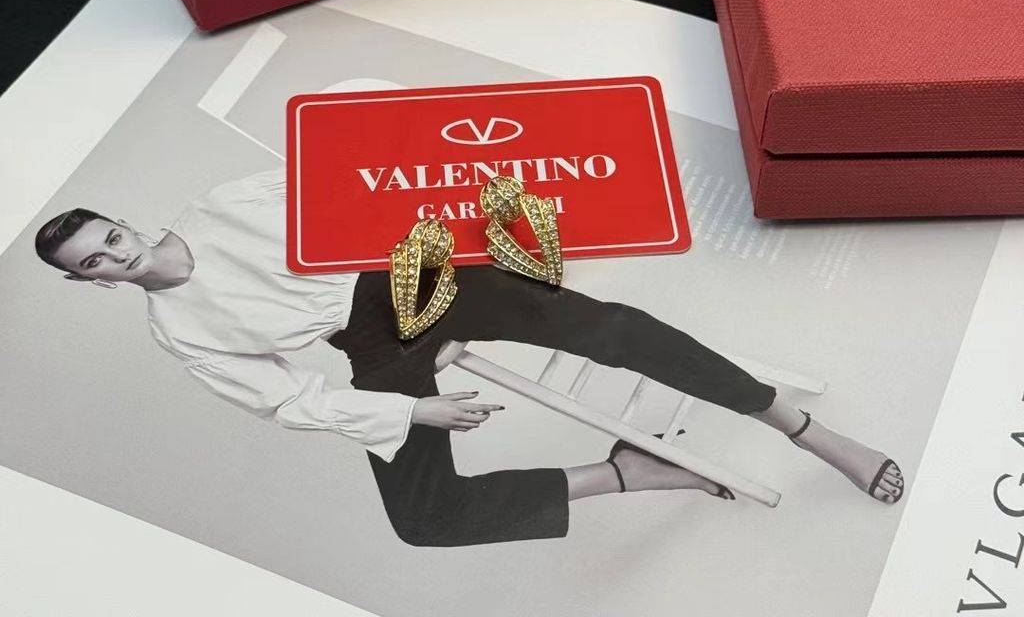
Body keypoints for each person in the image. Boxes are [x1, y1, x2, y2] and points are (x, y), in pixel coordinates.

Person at [34, 169, 903, 547]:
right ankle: (629, 472)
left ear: (127, 222)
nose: (117, 255)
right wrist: (414, 407)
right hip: (371, 341)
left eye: (112, 237)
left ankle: (802, 428)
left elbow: (371, 178)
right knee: (426, 518)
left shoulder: (227, 203)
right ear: (89, 283)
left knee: (611, 329)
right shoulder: (178, 331)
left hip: (413, 269)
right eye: (96, 264)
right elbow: (287, 399)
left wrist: (458, 225)